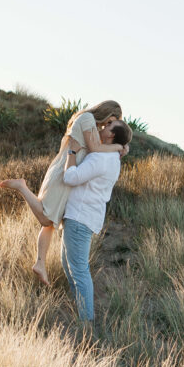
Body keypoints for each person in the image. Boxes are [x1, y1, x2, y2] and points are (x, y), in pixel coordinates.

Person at [0, 100, 129, 285]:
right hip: (63, 173)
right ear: (106, 112)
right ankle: (22, 186)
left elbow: (107, 143)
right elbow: (95, 149)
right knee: (45, 218)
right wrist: (118, 147)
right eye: (111, 121)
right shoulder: (87, 119)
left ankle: (40, 263)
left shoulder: (94, 127)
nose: (108, 126)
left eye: (112, 123)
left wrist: (123, 145)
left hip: (70, 173)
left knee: (51, 221)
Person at [58, 119, 132, 322]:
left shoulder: (101, 158)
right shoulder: (113, 158)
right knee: (69, 265)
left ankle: (86, 323)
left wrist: (71, 153)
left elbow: (71, 178)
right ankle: (80, 310)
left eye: (107, 126)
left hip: (80, 217)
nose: (102, 127)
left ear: (111, 136)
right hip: (84, 216)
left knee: (79, 270)